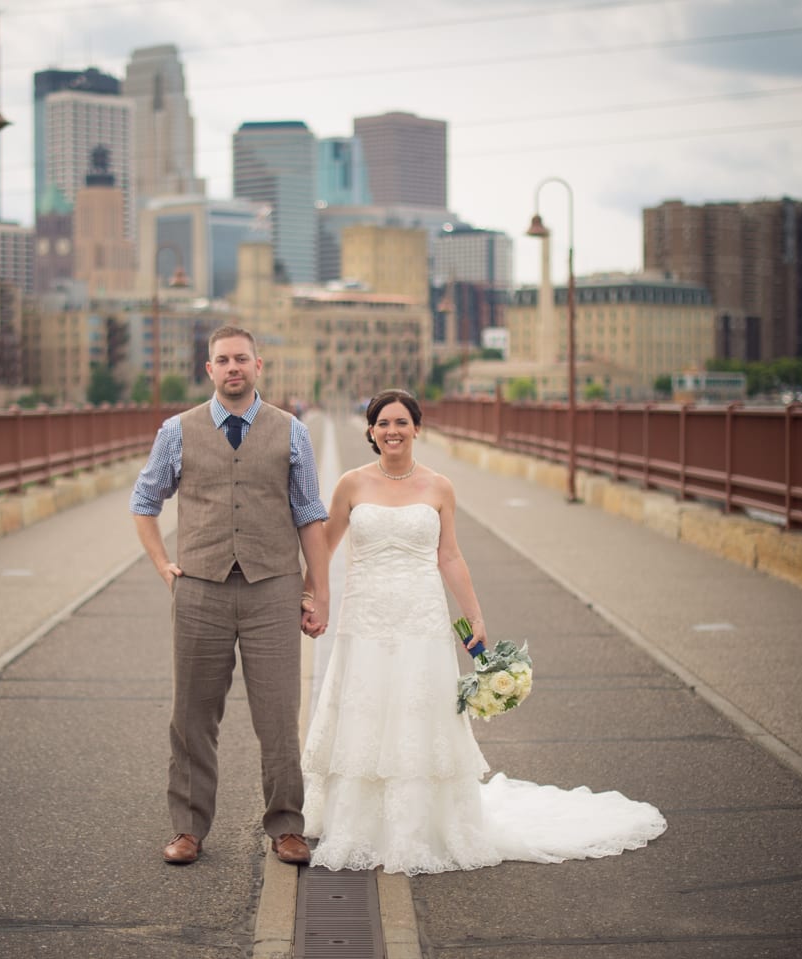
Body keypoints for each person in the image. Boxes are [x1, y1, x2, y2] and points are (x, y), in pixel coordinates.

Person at [300, 389, 667, 875]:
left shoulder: (438, 487)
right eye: (383, 423)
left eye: (401, 423)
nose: (392, 431)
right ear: (370, 431)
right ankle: (357, 820)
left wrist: (474, 615)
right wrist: (311, 598)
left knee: (418, 712)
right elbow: (323, 547)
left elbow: (448, 555)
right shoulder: (350, 485)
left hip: (421, 616)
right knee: (366, 709)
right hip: (365, 616)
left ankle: (420, 824)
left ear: (417, 428)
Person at [131, 325, 330, 867]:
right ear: (209, 369)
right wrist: (162, 565)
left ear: (258, 366)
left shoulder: (291, 432)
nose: (233, 367)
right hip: (199, 588)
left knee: (278, 714)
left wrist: (320, 590)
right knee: (192, 714)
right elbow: (144, 500)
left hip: (273, 587)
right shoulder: (177, 430)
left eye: (242, 358)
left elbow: (310, 512)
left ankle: (288, 827)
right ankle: (188, 829)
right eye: (223, 360)